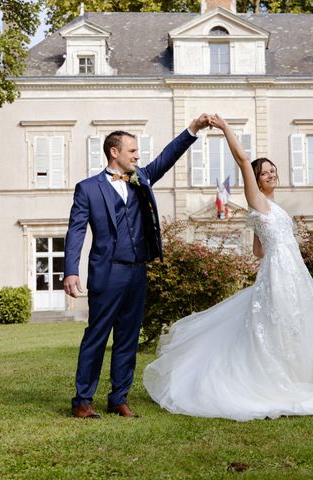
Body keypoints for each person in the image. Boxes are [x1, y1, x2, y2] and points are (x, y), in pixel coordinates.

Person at [143, 114, 313, 421]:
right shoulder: (256, 200)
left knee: (289, 323)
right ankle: (271, 380)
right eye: (263, 172)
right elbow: (242, 159)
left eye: (272, 171)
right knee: (277, 322)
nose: (270, 175)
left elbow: (256, 250)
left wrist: (271, 242)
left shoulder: (269, 208)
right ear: (254, 179)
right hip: (281, 269)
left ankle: (293, 375)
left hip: (288, 268)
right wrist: (225, 127)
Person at [63, 114, 211, 419]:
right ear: (114, 152)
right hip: (107, 271)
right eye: (132, 151)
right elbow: (76, 230)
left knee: (128, 337)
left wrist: (192, 130)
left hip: (137, 270)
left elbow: (166, 158)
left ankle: (118, 398)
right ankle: (82, 401)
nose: (138, 156)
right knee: (97, 335)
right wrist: (71, 270)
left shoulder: (141, 178)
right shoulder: (88, 189)